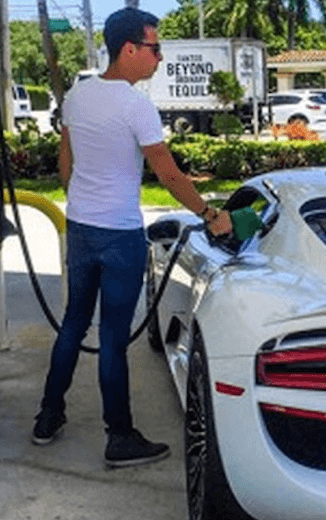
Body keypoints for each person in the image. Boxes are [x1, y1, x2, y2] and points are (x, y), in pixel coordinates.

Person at [31, 7, 231, 469]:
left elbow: (65, 161)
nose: (159, 58)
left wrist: (82, 201)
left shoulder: (78, 95)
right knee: (113, 339)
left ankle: (47, 417)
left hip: (81, 228)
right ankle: (119, 436)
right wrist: (209, 214)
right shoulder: (137, 105)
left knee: (74, 323)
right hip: (119, 235)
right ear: (129, 49)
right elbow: (168, 174)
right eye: (154, 48)